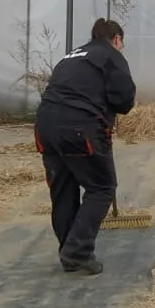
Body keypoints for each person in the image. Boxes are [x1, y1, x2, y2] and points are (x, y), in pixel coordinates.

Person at [34, 18, 136, 275]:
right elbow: (124, 100)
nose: (121, 47)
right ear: (116, 39)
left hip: (45, 125)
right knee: (102, 187)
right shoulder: (110, 56)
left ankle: (69, 252)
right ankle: (76, 251)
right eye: (121, 43)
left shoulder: (70, 56)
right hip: (78, 127)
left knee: (63, 189)